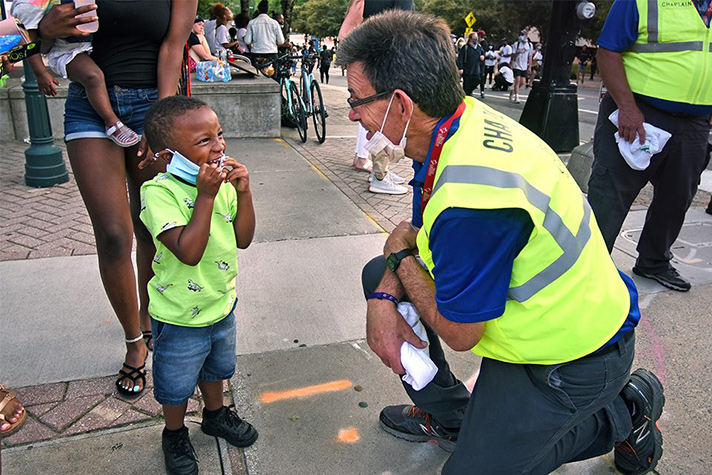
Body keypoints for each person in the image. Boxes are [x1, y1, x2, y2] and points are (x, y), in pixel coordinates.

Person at [337, 10, 665, 475]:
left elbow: (458, 333)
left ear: (403, 105)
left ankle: (626, 411)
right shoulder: (458, 121)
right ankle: (453, 420)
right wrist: (384, 294)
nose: (352, 112)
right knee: (381, 276)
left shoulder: (473, 202)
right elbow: (413, 238)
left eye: (357, 99)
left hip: (571, 360)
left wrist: (400, 258)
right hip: (535, 332)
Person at [35, 0, 197, 396]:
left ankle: (149, 317)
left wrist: (161, 118)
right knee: (112, 233)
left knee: (152, 225)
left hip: (151, 103)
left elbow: (173, 45)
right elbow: (31, 39)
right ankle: (133, 343)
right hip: (90, 107)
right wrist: (44, 30)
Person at [140, 96, 257, 475]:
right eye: (204, 141)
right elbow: (188, 253)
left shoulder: (221, 183)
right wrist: (205, 196)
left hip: (220, 302)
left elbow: (243, 239)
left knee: (216, 368)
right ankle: (173, 432)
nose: (219, 146)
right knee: (175, 385)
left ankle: (215, 414)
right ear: (168, 154)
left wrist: (243, 191)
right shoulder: (159, 192)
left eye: (219, 135)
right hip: (178, 314)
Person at [587, 0, 712, 292]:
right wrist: (627, 107)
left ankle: (654, 262)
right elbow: (608, 51)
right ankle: (587, 265)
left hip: (694, 121)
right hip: (637, 112)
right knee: (610, 195)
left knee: (677, 196)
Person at [12, 0, 140, 147]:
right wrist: (41, 72)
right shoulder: (28, 6)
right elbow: (27, 40)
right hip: (66, 50)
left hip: (88, 43)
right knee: (93, 77)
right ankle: (112, 123)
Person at [340, 0, 412, 195]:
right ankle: (379, 175)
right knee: (384, 117)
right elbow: (402, 24)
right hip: (383, 61)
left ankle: (380, 171)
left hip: (365, 60)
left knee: (371, 118)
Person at [245, 0, 289, 66]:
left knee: (257, 75)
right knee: (272, 74)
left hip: (257, 54)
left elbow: (247, 41)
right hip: (272, 54)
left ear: (258, 10)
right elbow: (281, 41)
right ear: (267, 10)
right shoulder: (274, 23)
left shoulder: (252, 23)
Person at [456, 32, 485, 99]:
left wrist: (482, 56)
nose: (475, 40)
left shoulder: (479, 47)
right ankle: (466, 96)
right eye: (474, 38)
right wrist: (460, 68)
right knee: (467, 84)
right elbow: (460, 58)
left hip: (476, 69)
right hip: (467, 69)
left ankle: (469, 92)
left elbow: (483, 53)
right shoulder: (465, 47)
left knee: (477, 80)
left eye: (476, 38)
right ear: (470, 38)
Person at [510, 31, 531, 103]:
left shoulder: (529, 45)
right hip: (517, 65)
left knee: (522, 82)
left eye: (524, 35)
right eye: (521, 35)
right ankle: (516, 96)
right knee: (517, 80)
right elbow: (512, 55)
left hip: (524, 65)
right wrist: (518, 52)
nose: (522, 36)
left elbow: (530, 56)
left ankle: (514, 91)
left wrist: (529, 66)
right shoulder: (517, 44)